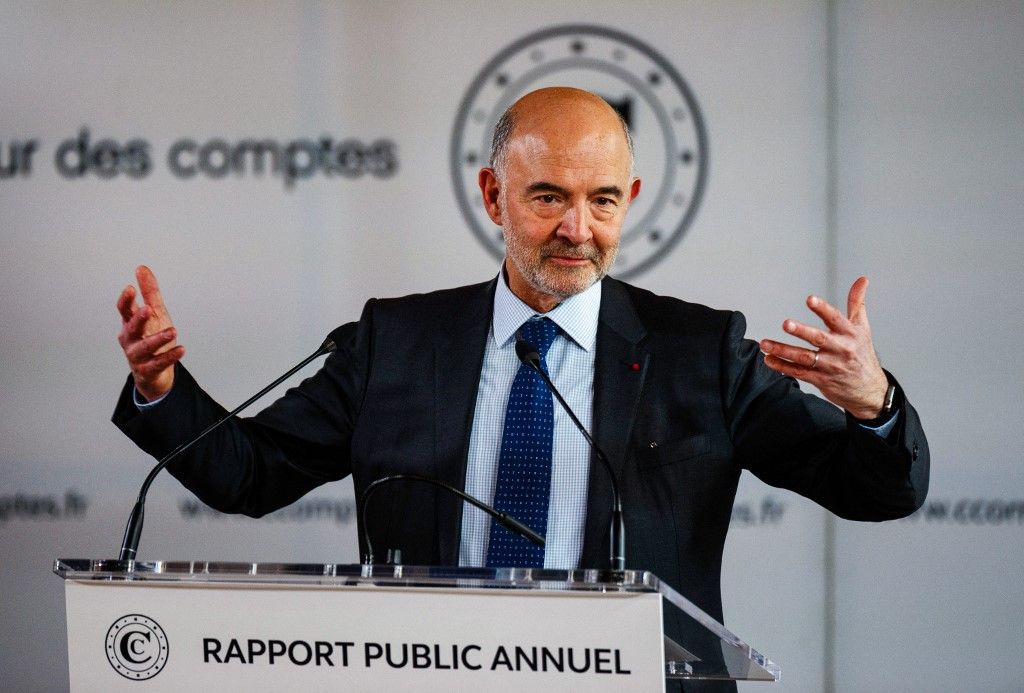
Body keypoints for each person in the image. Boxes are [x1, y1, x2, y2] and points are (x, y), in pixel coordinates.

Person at [114, 87, 928, 691]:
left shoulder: (700, 353)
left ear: (630, 200)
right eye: (548, 197)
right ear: (493, 195)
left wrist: (873, 404)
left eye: (601, 200)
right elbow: (250, 473)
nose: (578, 228)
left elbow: (876, 488)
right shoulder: (397, 341)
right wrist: (162, 384)